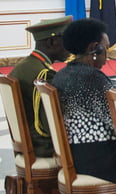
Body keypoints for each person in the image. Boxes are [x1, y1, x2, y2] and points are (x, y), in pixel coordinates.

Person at [50, 17, 116, 184]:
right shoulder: (93, 79)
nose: (107, 56)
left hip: (72, 153)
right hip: (96, 160)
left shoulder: (62, 74)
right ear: (94, 48)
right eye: (106, 49)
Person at [8, 15, 71, 159]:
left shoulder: (25, 66)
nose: (70, 47)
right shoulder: (43, 74)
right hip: (43, 147)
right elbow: (51, 123)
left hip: (29, 142)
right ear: (51, 42)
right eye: (66, 41)